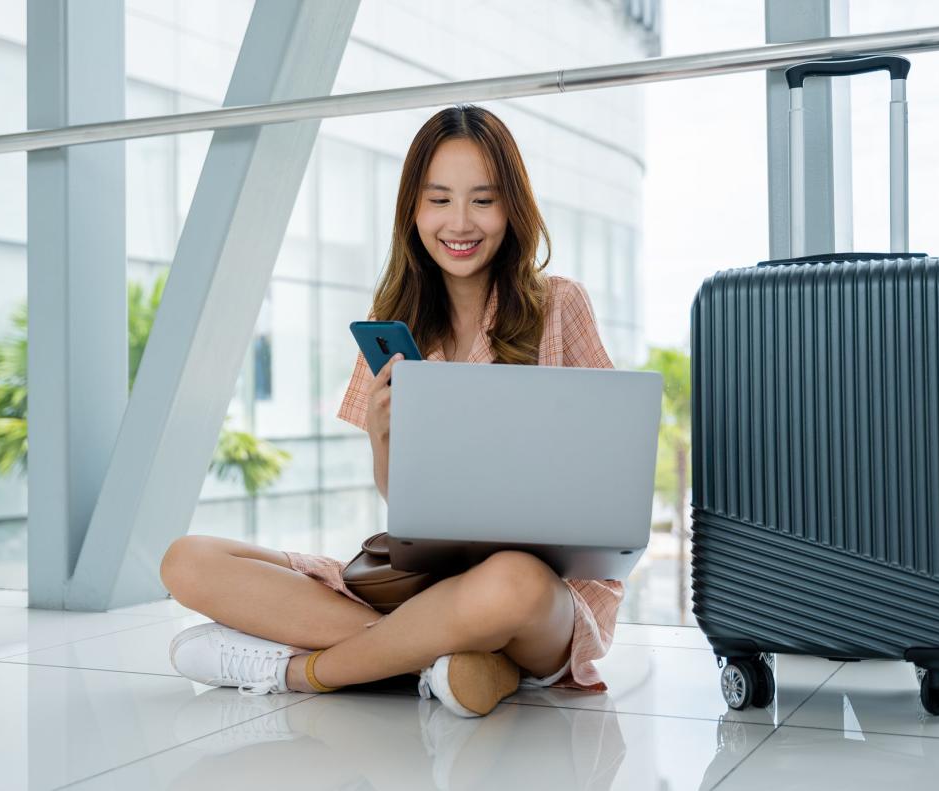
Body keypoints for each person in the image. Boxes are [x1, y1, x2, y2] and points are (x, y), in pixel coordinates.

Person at [160, 104, 623, 718]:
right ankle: (454, 662)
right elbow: (399, 503)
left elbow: (607, 459)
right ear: (412, 209)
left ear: (512, 208)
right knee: (186, 561)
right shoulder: (391, 326)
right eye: (439, 200)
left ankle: (301, 673)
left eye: (483, 200)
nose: (460, 222)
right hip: (423, 583)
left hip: (536, 592)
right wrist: (383, 437)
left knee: (510, 578)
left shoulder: (558, 304)